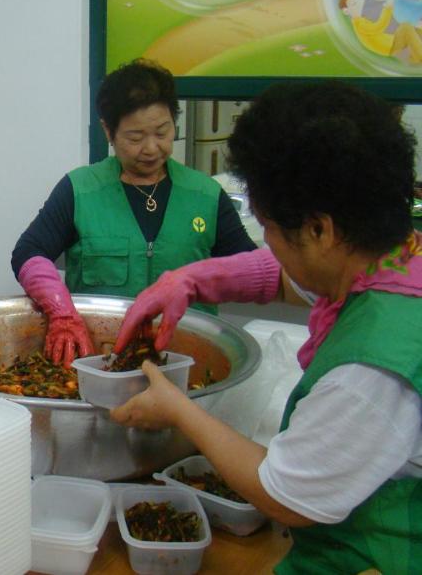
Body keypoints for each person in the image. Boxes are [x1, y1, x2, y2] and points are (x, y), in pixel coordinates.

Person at [111, 80, 421, 573]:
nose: (267, 243)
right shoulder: (394, 255)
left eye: (269, 228)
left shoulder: (369, 370)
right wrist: (187, 281)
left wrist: (179, 410)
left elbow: (286, 497)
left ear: (319, 230)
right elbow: (287, 279)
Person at [11, 58, 255, 367]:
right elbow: (28, 252)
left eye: (163, 132)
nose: (151, 148)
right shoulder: (80, 189)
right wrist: (60, 310)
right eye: (135, 138)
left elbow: (249, 268)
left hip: (186, 365)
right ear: (108, 131)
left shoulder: (205, 194)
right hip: (98, 361)